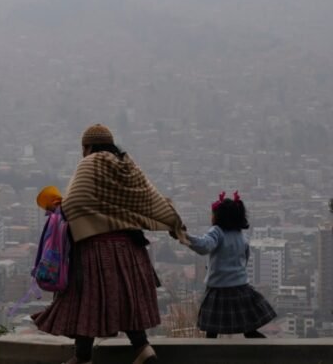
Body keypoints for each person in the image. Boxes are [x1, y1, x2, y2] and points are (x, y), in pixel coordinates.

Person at [33, 124, 188, 364]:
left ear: (88, 146)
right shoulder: (128, 166)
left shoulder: (90, 163)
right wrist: (173, 222)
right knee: (127, 298)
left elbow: (75, 203)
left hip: (96, 249)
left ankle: (83, 356)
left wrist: (57, 208)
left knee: (87, 300)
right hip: (130, 248)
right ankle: (143, 349)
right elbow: (149, 199)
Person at [185, 191, 276, 338]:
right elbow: (245, 259)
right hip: (241, 288)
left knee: (212, 331)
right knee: (249, 329)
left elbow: (204, 246)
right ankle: (266, 351)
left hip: (218, 289)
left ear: (219, 216)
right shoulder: (240, 235)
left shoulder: (217, 232)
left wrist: (185, 237)